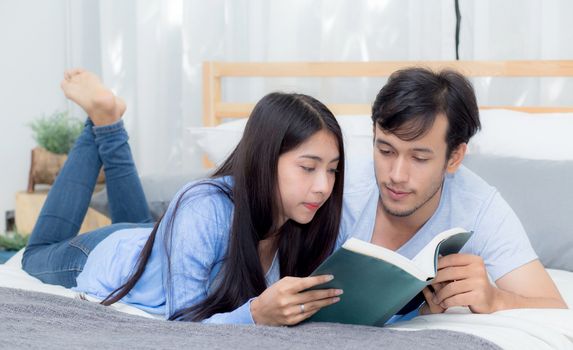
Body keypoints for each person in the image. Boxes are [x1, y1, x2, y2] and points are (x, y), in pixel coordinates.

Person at [22, 69, 345, 325]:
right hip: (107, 256)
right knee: (34, 255)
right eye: (307, 167)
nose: (323, 186)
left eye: (332, 170)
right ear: (263, 159)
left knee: (140, 224)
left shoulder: (313, 220)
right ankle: (100, 121)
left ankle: (109, 122)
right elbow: (184, 323)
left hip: (155, 244)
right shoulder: (203, 209)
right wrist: (257, 314)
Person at [339, 67, 566, 321]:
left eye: (419, 157)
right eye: (386, 151)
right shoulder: (336, 187)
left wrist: (495, 298)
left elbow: (554, 308)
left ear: (455, 157)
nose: (397, 175)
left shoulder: (479, 207)